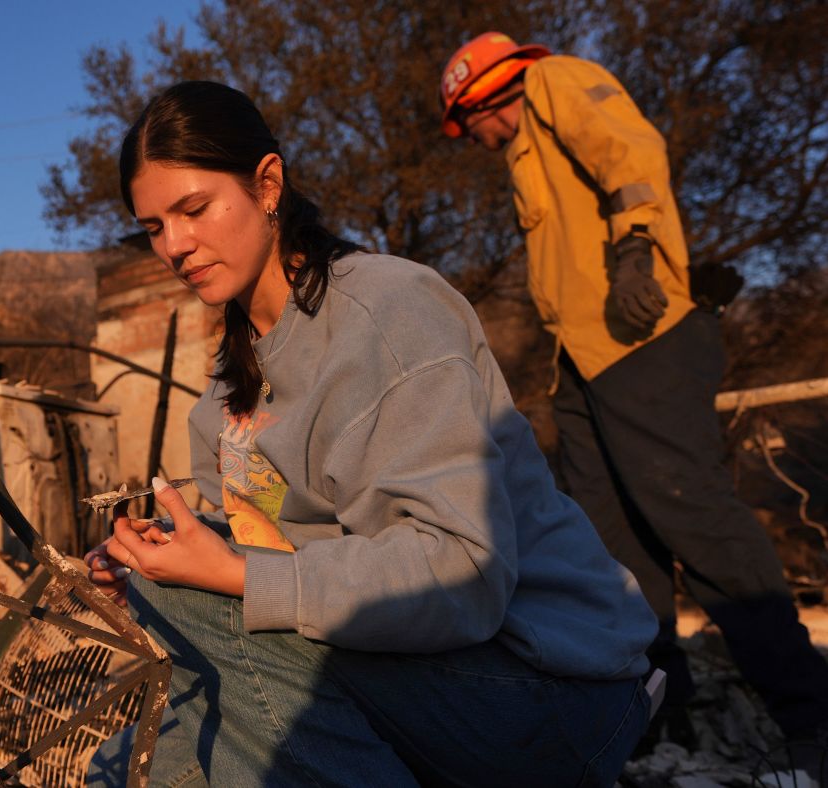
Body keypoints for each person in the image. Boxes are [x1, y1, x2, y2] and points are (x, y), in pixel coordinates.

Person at [82, 79, 659, 787]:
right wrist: (166, 553)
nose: (175, 245)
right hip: (413, 677)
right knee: (126, 762)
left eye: (194, 209)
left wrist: (225, 575)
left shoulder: (388, 315)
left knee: (188, 614)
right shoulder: (226, 392)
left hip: (548, 686)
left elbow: (463, 576)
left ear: (268, 184)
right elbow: (273, 548)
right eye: (153, 227)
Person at [439, 31, 828, 754]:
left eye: (471, 124)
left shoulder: (552, 82)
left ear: (487, 95)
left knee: (692, 517)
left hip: (640, 340)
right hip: (583, 364)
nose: (477, 141)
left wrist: (637, 248)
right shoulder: (530, 154)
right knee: (610, 546)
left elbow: (632, 149)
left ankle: (810, 710)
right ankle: (653, 712)